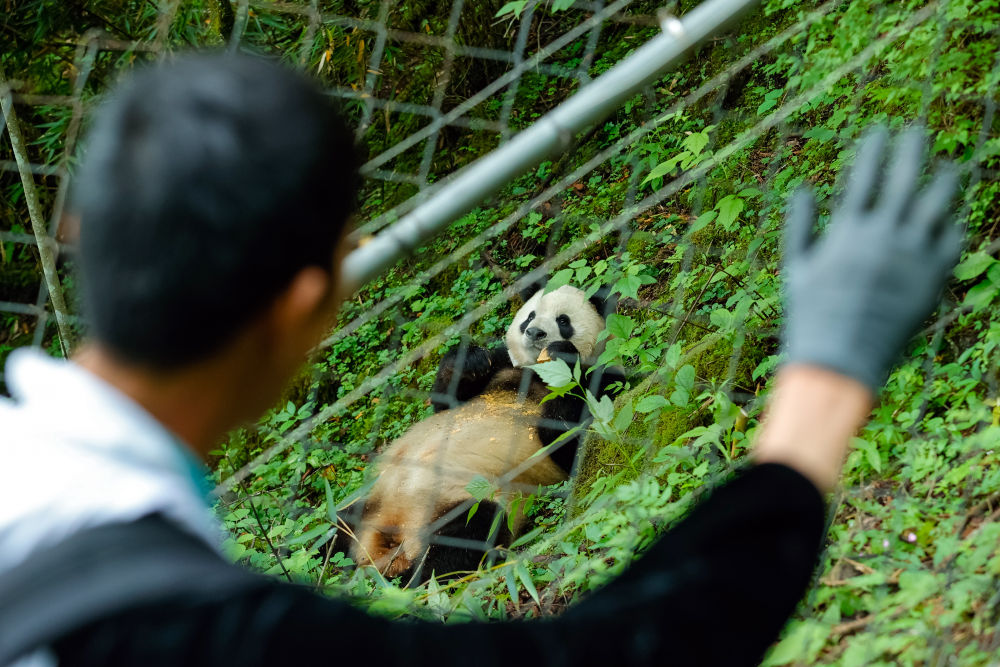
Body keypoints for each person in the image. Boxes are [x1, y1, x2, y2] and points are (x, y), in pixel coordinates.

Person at [0, 52, 962, 667]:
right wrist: (827, 376)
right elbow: (622, 651)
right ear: (311, 300)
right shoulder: (200, 635)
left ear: (84, 230)